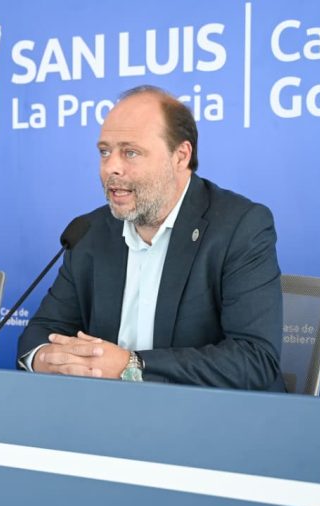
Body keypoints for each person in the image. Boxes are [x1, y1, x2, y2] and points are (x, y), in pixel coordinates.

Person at [18, 86, 284, 391]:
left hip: (209, 413)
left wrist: (131, 366)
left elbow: (254, 359)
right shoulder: (89, 232)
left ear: (180, 156)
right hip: (107, 412)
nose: (111, 167)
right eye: (104, 152)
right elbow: (40, 333)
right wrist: (47, 358)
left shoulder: (240, 226)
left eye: (130, 152)